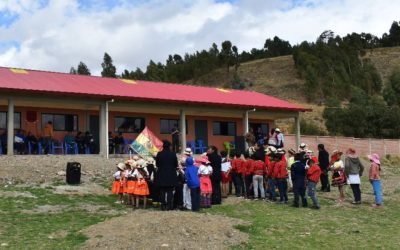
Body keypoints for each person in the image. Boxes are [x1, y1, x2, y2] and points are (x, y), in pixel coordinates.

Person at [155, 140, 178, 211]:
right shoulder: (173, 154)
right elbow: (176, 164)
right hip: (171, 174)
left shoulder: (159, 154)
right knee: (170, 191)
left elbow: (157, 164)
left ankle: (163, 205)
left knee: (162, 191)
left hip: (161, 174)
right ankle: (169, 205)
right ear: (169, 146)